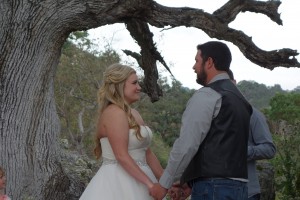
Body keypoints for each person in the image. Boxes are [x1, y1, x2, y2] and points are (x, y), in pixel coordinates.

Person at [150, 41, 253, 200]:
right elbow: (222, 147)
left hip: (213, 188)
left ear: (209, 62)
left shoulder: (208, 95)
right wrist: (189, 182)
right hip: (240, 187)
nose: (194, 67)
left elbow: (187, 144)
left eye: (197, 61)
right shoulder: (242, 100)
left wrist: (164, 184)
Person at [79, 63, 165, 200]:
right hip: (118, 182)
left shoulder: (135, 114)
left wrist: (166, 182)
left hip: (142, 179)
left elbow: (147, 152)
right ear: (119, 85)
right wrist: (150, 185)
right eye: (134, 83)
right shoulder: (114, 113)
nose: (139, 88)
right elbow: (121, 155)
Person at [228, 70, 276, 200]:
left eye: (226, 83)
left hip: (247, 193)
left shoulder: (252, 114)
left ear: (234, 83)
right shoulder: (208, 115)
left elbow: (269, 149)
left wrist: (241, 151)